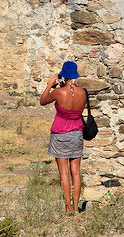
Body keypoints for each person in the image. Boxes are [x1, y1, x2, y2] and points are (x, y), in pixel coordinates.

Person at [40, 60, 87, 215]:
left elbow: (43, 101)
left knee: (64, 173)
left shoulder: (59, 92)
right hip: (77, 133)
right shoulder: (83, 92)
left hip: (61, 133)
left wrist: (50, 84)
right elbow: (73, 100)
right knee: (76, 172)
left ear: (64, 74)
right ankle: (76, 208)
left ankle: (68, 209)